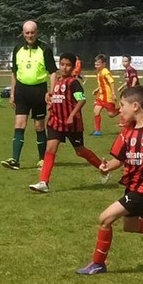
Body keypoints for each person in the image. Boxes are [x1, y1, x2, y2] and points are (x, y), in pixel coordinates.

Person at [76, 86, 143, 275]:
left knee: (104, 219)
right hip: (132, 185)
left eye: (122, 105)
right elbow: (119, 160)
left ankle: (98, 264)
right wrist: (106, 166)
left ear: (135, 106)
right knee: (130, 226)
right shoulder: (127, 132)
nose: (120, 110)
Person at [29, 52, 106, 193]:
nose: (64, 68)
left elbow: (81, 100)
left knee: (80, 151)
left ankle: (103, 167)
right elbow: (56, 97)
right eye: (62, 64)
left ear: (73, 67)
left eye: (68, 65)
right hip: (55, 122)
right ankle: (43, 182)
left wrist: (71, 116)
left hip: (72, 124)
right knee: (50, 149)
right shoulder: (58, 81)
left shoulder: (73, 83)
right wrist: (49, 96)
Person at [2, 20, 56, 170]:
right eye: (27, 33)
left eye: (32, 32)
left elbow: (52, 72)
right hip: (21, 91)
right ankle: (15, 160)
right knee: (19, 125)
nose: (30, 35)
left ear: (36, 32)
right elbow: (14, 73)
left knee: (39, 126)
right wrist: (12, 93)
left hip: (39, 91)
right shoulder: (18, 48)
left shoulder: (45, 49)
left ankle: (42, 159)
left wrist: (51, 91)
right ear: (23, 33)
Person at [91, 54, 119, 136]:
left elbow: (111, 81)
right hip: (101, 96)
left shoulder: (105, 71)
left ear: (103, 64)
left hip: (108, 97)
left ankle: (121, 109)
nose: (96, 64)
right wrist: (97, 89)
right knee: (96, 111)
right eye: (95, 63)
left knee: (111, 114)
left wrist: (113, 93)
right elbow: (103, 83)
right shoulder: (99, 72)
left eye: (98, 63)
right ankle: (98, 131)